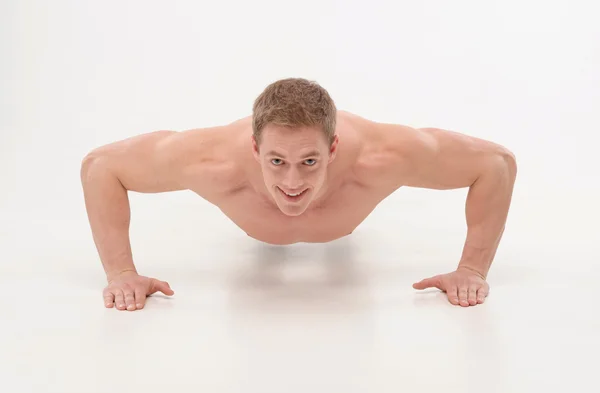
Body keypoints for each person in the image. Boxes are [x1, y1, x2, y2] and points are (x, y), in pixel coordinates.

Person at [81, 77, 517, 311]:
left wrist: (471, 270)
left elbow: (495, 164)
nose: (292, 183)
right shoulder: (208, 161)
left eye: (309, 161)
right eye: (276, 161)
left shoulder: (383, 156)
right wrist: (121, 273)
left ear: (333, 148)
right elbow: (101, 167)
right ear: (255, 149)